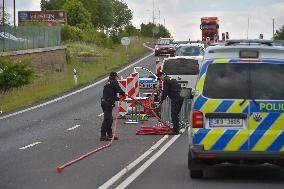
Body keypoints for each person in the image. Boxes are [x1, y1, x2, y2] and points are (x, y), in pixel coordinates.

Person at [100, 72, 126, 141]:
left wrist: (117, 99)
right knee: (107, 119)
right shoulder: (114, 82)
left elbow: (110, 93)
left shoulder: (107, 82)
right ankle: (102, 135)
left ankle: (109, 134)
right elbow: (118, 90)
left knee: (110, 119)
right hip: (108, 103)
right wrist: (124, 94)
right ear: (115, 77)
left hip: (104, 102)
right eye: (116, 77)